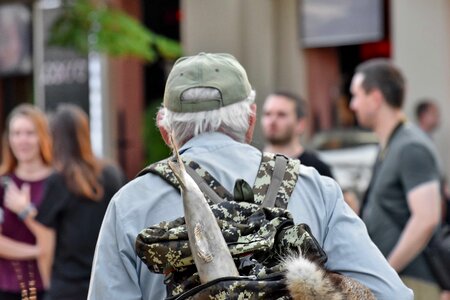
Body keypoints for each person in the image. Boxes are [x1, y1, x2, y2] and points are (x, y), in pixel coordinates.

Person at [88, 52, 412, 299]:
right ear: (251, 120)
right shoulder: (314, 188)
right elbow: (391, 294)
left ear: (165, 129)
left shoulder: (130, 204)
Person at [5, 104, 125, 300]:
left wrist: (50, 289)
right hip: (106, 282)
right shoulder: (111, 173)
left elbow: (46, 246)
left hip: (67, 287)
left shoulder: (58, 180)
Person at [350, 58, 442, 299]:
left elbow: (427, 218)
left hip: (413, 282)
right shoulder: (392, 146)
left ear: (376, 97)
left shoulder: (410, 146)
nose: (352, 105)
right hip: (400, 282)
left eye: (356, 95)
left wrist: (386, 270)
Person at [261, 91, 360, 213]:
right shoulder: (254, 162)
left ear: (300, 124)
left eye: (281, 115)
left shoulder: (317, 168)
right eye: (267, 114)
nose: (272, 121)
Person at [0, 104, 54, 300]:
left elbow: (62, 239)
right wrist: (39, 251)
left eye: (30, 133)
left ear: (42, 137)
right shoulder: (3, 182)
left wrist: (25, 211)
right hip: (6, 289)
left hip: (50, 289)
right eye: (16, 133)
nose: (22, 140)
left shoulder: (57, 183)